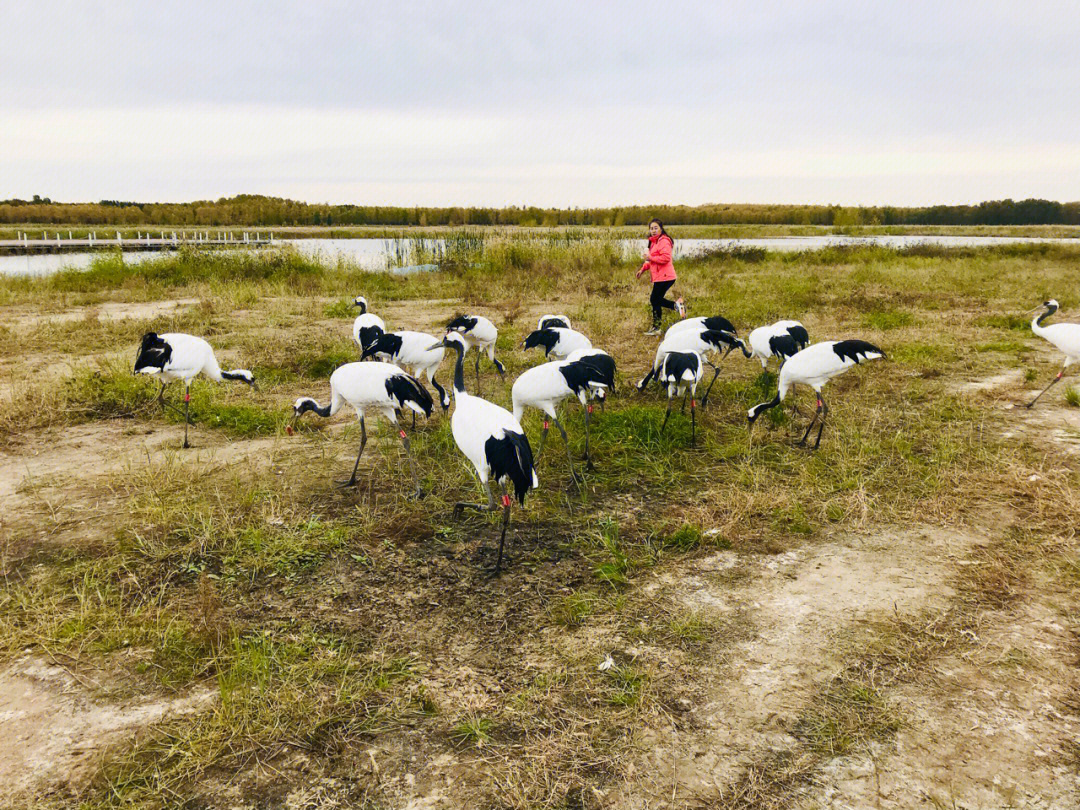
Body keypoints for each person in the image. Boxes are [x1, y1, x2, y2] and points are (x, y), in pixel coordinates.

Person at [636, 218, 685, 335]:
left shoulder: (664, 241)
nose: (653, 230)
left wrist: (650, 258)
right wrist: (642, 269)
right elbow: (651, 260)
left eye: (655, 228)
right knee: (656, 300)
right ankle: (676, 306)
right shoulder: (653, 242)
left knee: (655, 299)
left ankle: (657, 327)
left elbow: (665, 258)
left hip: (666, 276)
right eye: (651, 228)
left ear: (661, 229)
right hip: (660, 276)